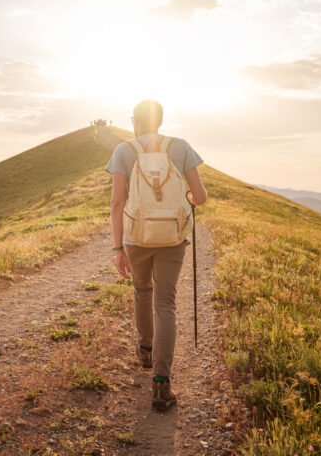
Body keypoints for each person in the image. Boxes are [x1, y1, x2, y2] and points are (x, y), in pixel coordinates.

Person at [105, 99, 207, 411]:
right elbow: (200, 197)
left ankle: (146, 349)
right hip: (172, 238)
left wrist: (118, 247)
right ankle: (162, 384)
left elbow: (116, 204)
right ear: (160, 121)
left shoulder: (124, 151)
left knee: (142, 291)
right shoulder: (181, 147)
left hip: (136, 237)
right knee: (166, 304)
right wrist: (186, 197)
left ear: (134, 121)